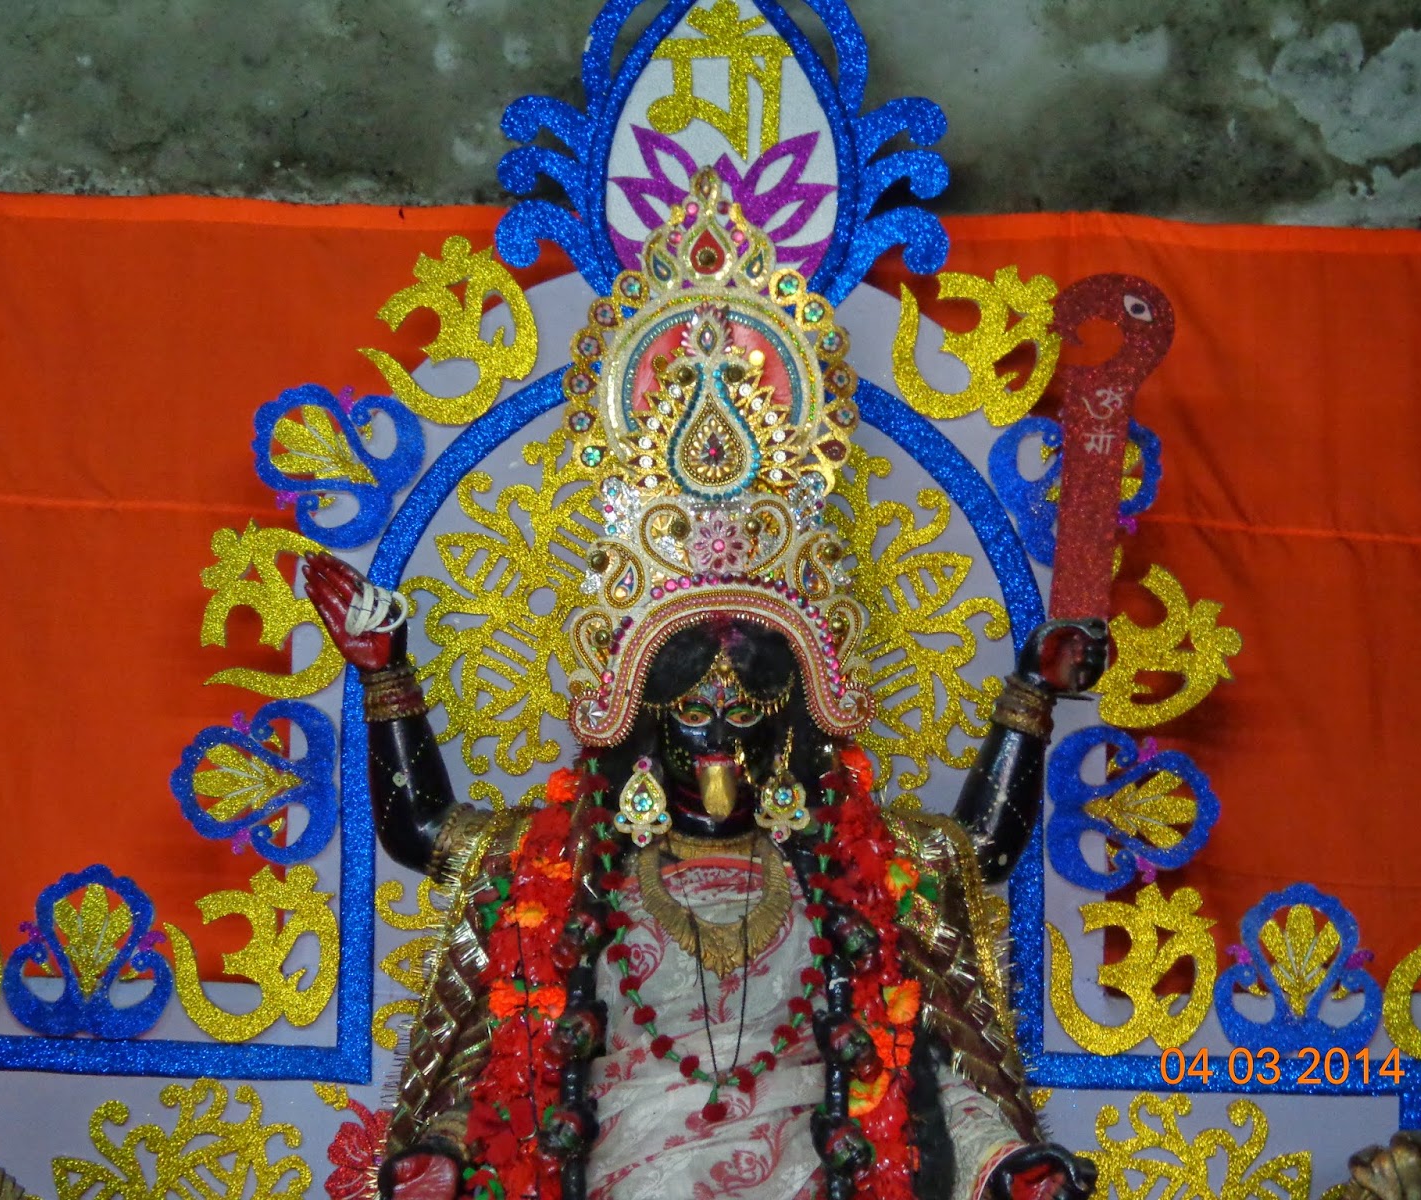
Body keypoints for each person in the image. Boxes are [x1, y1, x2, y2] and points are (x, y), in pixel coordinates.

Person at [304, 167, 1111, 1200]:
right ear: (639, 719)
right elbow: (427, 843)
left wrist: (1009, 1166)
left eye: (748, 712)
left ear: (797, 722)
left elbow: (969, 910)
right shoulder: (564, 869)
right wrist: (388, 675)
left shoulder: (855, 870)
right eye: (690, 714)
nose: (719, 745)